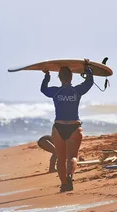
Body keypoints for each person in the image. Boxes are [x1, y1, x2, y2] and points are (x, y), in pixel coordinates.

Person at [41, 60, 93, 193]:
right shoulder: (77, 91)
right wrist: (88, 69)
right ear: (71, 77)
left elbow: (43, 89)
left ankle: (64, 184)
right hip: (74, 127)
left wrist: (47, 76)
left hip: (59, 127)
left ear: (59, 78)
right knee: (73, 157)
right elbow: (89, 82)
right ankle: (70, 176)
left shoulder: (56, 92)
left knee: (61, 157)